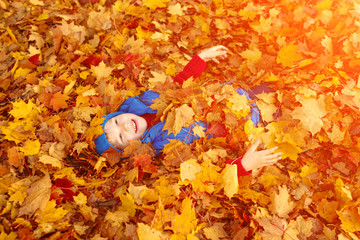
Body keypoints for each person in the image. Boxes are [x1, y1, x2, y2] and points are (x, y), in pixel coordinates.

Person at [94, 45, 282, 177]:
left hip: (231, 98)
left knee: (273, 85)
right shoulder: (163, 148)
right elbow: (206, 166)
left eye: (117, 122)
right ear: (129, 149)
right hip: (247, 125)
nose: (124, 127)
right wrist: (244, 165)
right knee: (280, 110)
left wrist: (200, 59)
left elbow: (179, 85)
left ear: (118, 113)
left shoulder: (147, 102)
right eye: (120, 138)